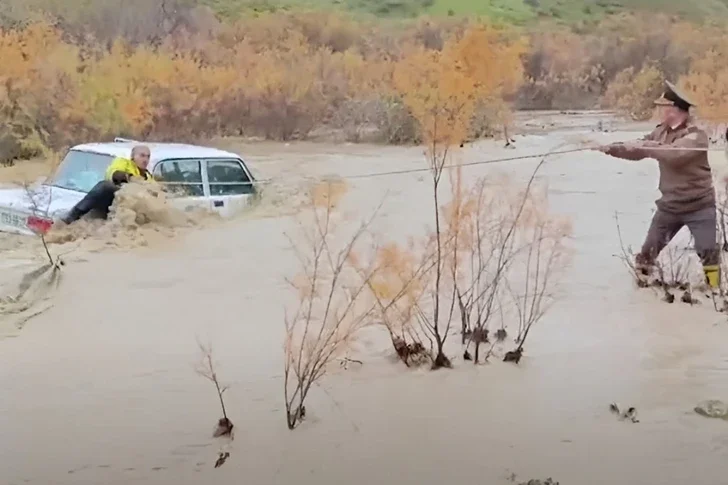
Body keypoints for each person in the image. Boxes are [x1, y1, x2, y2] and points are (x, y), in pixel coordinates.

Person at [599, 81, 719, 290]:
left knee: (708, 252)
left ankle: (716, 290)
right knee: (646, 255)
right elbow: (637, 149)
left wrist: (648, 146)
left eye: (662, 107)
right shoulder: (660, 132)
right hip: (670, 207)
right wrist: (611, 148)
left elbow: (675, 155)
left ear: (674, 109)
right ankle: (644, 289)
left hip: (700, 206)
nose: (659, 111)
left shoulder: (696, 135)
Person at [61, 145, 155, 224]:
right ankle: (73, 215)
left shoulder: (148, 177)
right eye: (142, 156)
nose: (145, 159)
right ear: (133, 156)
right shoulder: (124, 162)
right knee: (105, 186)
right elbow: (112, 172)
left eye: (148, 156)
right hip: (111, 199)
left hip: (129, 209)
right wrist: (127, 177)